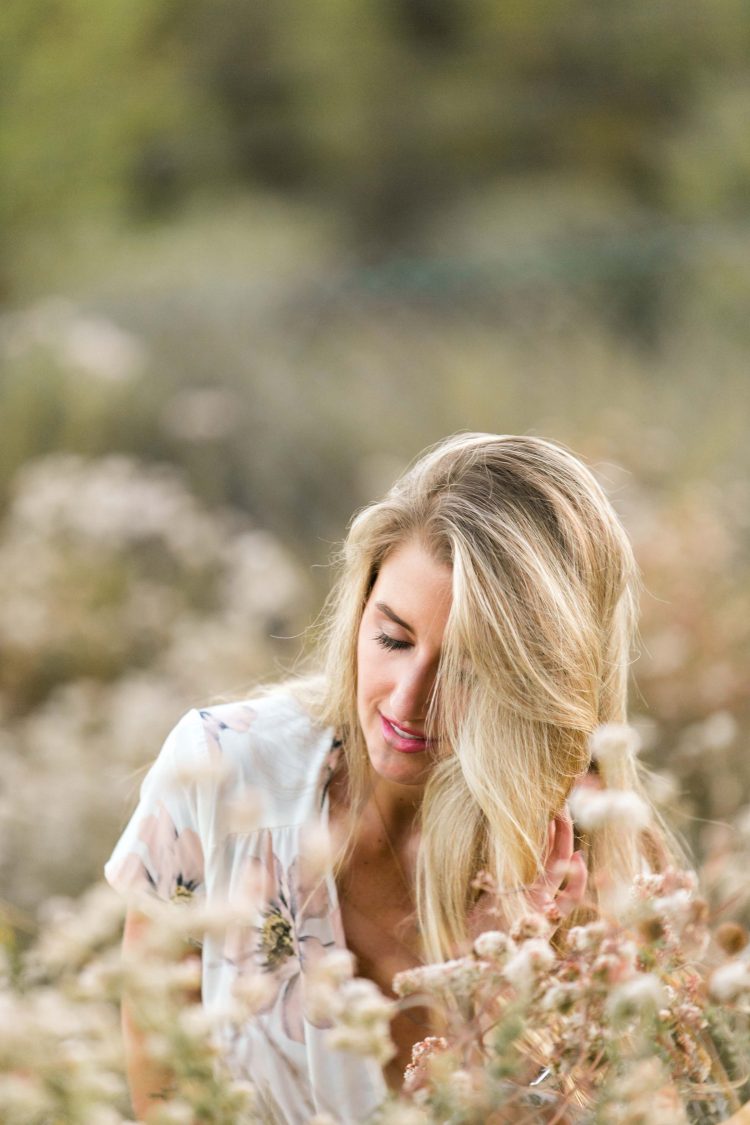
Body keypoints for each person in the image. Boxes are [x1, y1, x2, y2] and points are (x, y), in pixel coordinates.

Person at [105, 432, 660, 1123]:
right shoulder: (221, 768)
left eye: (466, 670)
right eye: (393, 638)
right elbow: (160, 1083)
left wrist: (506, 1010)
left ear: (537, 685)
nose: (406, 701)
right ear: (360, 604)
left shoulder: (586, 864)